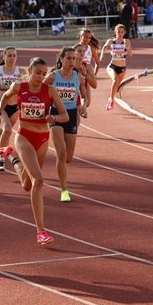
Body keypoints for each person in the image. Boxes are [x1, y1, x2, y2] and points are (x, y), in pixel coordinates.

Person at [0, 58, 68, 245]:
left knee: (27, 185)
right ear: (30, 70)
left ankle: (10, 155)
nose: (41, 77)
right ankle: (41, 231)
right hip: (24, 136)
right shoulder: (20, 87)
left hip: (43, 139)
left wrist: (54, 117)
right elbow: (3, 98)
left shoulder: (50, 90)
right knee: (39, 181)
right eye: (38, 72)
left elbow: (65, 116)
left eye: (44, 74)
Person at [45, 47, 88, 202]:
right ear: (61, 60)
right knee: (61, 153)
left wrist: (83, 107)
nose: (72, 61)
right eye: (69, 58)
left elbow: (84, 95)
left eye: (74, 59)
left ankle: (59, 165)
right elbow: (40, 92)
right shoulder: (52, 77)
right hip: (56, 114)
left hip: (71, 116)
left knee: (68, 158)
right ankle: (64, 190)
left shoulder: (79, 77)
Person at [100, 24, 133, 111]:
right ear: (115, 32)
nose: (120, 33)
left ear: (124, 33)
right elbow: (104, 47)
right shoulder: (111, 41)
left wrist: (128, 47)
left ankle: (112, 96)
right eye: (118, 31)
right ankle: (111, 100)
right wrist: (102, 55)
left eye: (122, 32)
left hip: (122, 68)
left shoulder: (127, 41)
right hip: (112, 66)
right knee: (115, 80)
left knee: (117, 86)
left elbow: (130, 55)